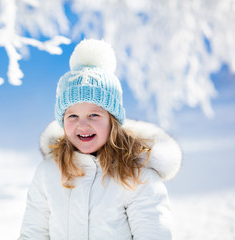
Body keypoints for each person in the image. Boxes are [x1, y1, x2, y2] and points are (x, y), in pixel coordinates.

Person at [19, 39, 182, 239]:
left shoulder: (137, 176)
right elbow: (33, 232)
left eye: (94, 115)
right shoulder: (48, 172)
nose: (83, 125)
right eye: (73, 116)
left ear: (112, 120)